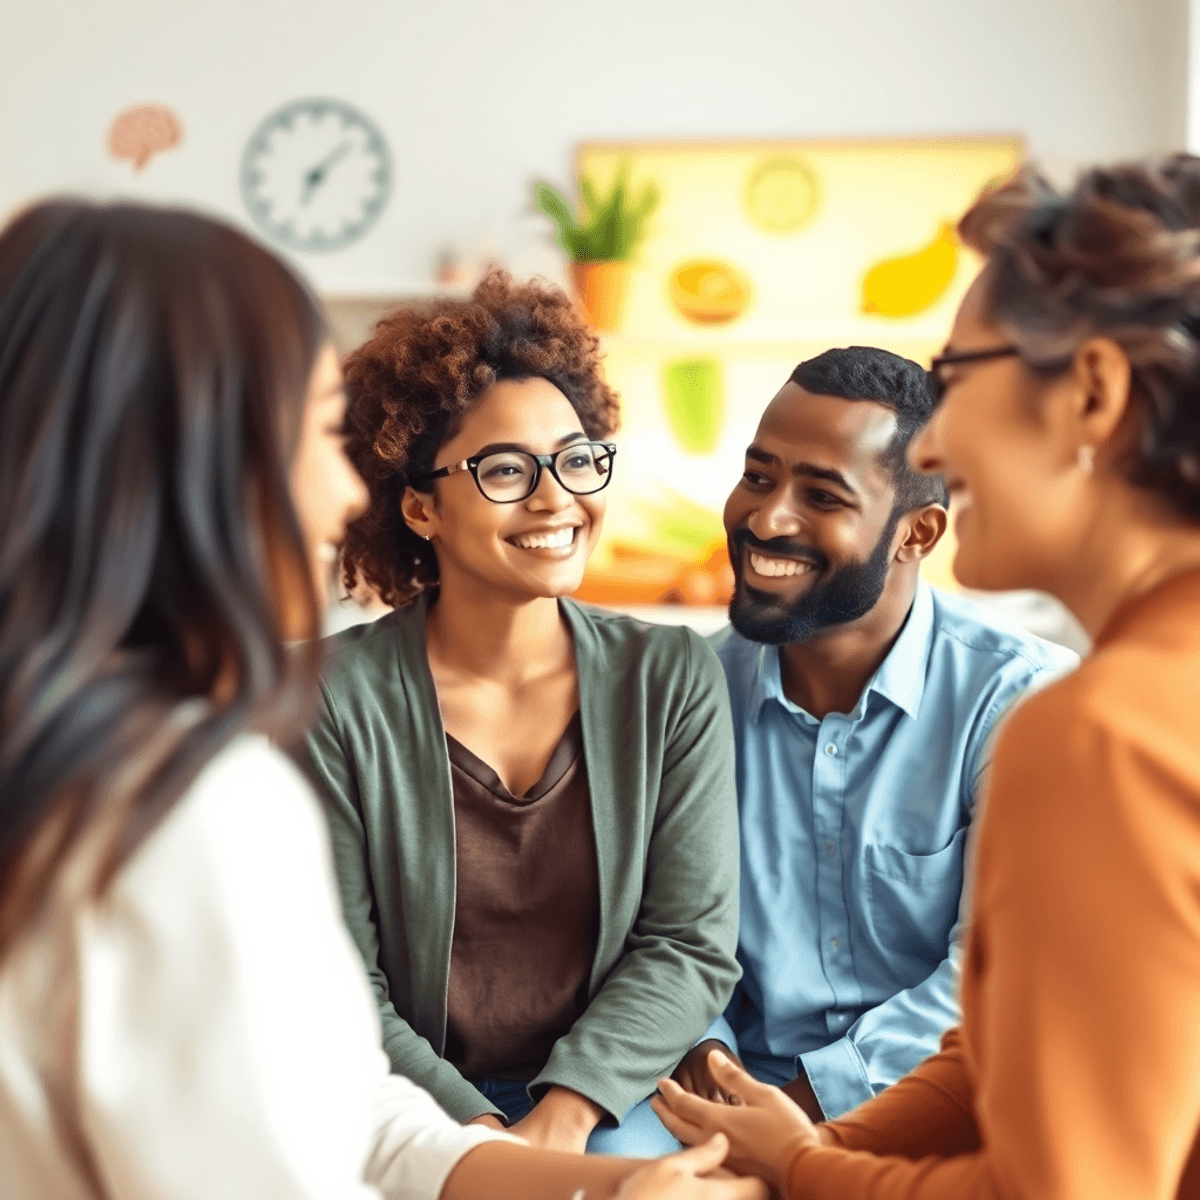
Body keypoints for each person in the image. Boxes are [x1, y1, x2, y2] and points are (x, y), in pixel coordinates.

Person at [0, 199, 763, 1200]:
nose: (341, 488)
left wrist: (579, 1167)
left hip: (567, 1106)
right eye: (317, 432)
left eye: (576, 459)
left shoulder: (122, 764)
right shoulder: (206, 790)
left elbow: (336, 1097)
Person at [653, 154, 1200, 1197]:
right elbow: (1005, 1051)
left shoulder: (1098, 730)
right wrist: (810, 1155)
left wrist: (810, 1172)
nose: (937, 441)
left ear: (1091, 391)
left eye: (958, 378)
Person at [296, 270, 741, 1157]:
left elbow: (689, 943)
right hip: (405, 1096)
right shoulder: (328, 697)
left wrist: (563, 1118)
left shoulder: (669, 675)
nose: (557, 498)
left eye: (577, 458)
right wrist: (482, 1140)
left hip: (615, 1091)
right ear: (419, 506)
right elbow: (340, 978)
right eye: (506, 469)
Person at [672, 346, 1076, 1122]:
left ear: (916, 534)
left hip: (940, 1102)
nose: (767, 517)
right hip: (710, 1092)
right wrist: (716, 1071)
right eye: (758, 476)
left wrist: (794, 1123)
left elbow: (993, 975)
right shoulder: (685, 692)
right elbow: (654, 929)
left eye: (822, 495)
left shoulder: (1020, 702)